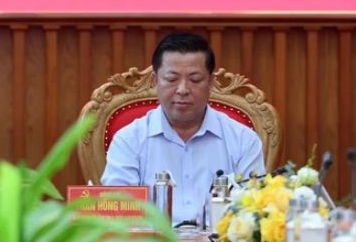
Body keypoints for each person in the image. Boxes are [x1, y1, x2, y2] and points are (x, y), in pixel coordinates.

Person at [101, 32, 265, 224]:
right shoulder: (128, 140)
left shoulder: (243, 140)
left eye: (195, 80)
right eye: (171, 79)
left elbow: (255, 214)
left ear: (211, 82)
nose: (182, 89)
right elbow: (118, 214)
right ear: (155, 81)